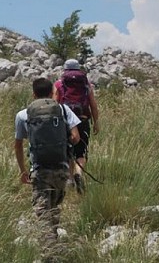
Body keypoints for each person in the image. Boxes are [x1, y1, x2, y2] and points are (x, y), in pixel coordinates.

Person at [14, 77, 81, 248]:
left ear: (33, 94)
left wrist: (23, 171)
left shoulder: (23, 115)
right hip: (61, 169)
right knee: (53, 209)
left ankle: (50, 254)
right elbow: (76, 138)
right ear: (52, 93)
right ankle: (54, 247)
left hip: (39, 169)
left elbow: (19, 145)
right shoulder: (63, 110)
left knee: (43, 214)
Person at [52, 58, 100, 194]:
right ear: (79, 69)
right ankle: (79, 173)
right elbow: (93, 105)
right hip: (83, 120)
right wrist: (96, 122)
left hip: (65, 122)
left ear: (65, 69)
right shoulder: (86, 84)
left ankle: (70, 179)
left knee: (68, 150)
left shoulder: (59, 83)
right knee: (81, 151)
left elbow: (55, 104)